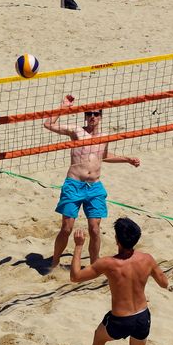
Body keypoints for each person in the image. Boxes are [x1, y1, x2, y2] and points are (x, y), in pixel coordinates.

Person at [69, 218, 173, 345]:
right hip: (142, 317)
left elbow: (75, 277)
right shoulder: (147, 259)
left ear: (117, 240)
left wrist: (79, 246)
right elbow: (164, 283)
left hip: (120, 320)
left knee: (99, 337)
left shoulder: (108, 263)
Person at [43, 95, 140, 268]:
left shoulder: (104, 136)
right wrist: (63, 107)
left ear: (101, 116)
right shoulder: (77, 131)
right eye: (89, 114)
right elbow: (48, 124)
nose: (92, 117)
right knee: (66, 228)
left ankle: (94, 265)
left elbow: (104, 156)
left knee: (95, 229)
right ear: (85, 117)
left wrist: (126, 159)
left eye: (96, 114)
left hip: (94, 187)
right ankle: (55, 262)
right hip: (74, 184)